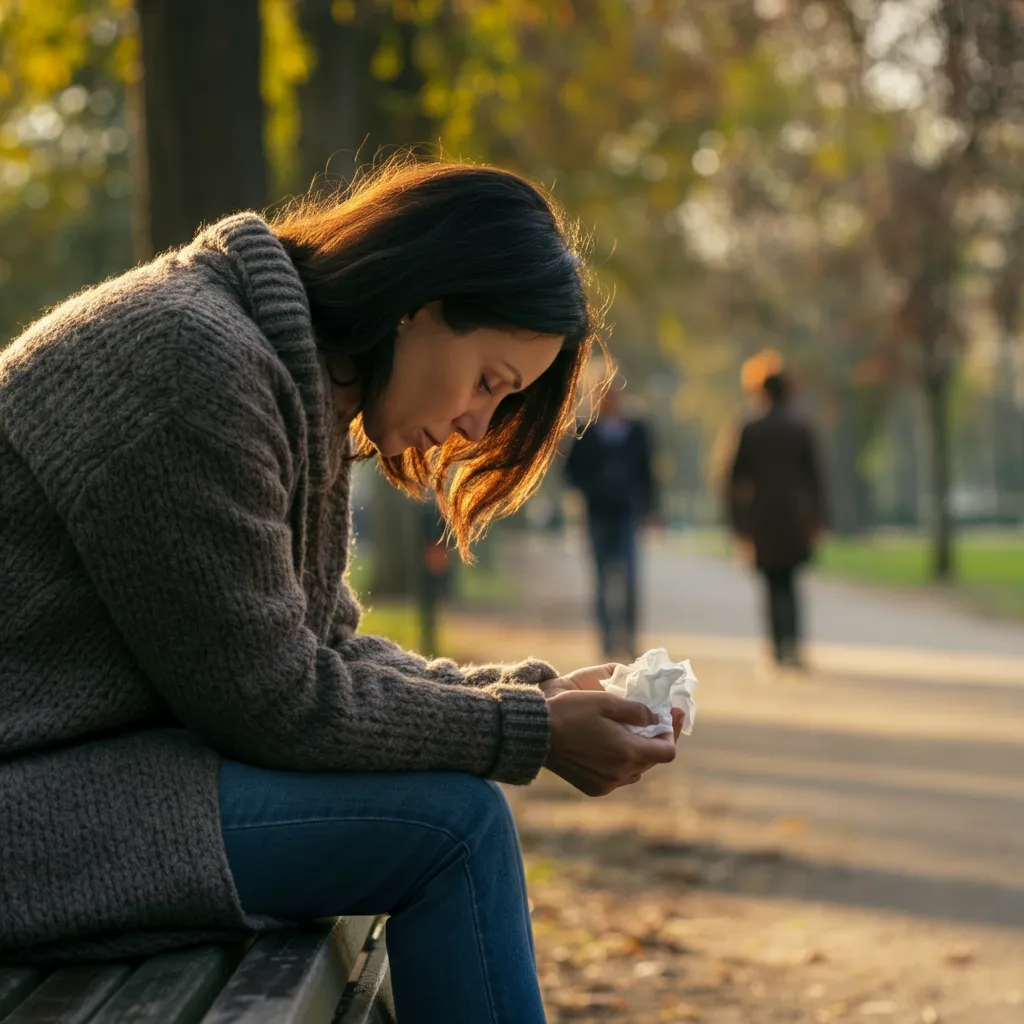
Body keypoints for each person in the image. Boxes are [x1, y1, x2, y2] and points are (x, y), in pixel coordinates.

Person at [0, 159, 686, 1020]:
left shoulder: (288, 367)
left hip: (75, 778)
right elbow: (275, 702)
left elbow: (321, 647)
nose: (478, 425)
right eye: (489, 381)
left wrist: (533, 694)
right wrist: (529, 730)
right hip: (27, 805)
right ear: (422, 304)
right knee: (452, 830)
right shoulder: (191, 364)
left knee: (453, 821)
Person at [726, 370, 827, 669]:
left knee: (771, 585)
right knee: (791, 585)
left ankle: (777, 647)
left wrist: (738, 521)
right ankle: (793, 644)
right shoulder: (800, 427)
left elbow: (734, 479)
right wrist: (818, 517)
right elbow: (815, 477)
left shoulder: (750, 427)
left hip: (763, 517)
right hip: (795, 518)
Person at [565, 378, 657, 660]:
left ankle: (628, 639)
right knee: (602, 578)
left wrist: (650, 509)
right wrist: (593, 486)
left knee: (629, 578)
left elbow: (648, 473)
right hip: (597, 514)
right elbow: (571, 472)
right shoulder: (585, 431)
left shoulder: (637, 430)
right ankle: (606, 641)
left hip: (627, 514)